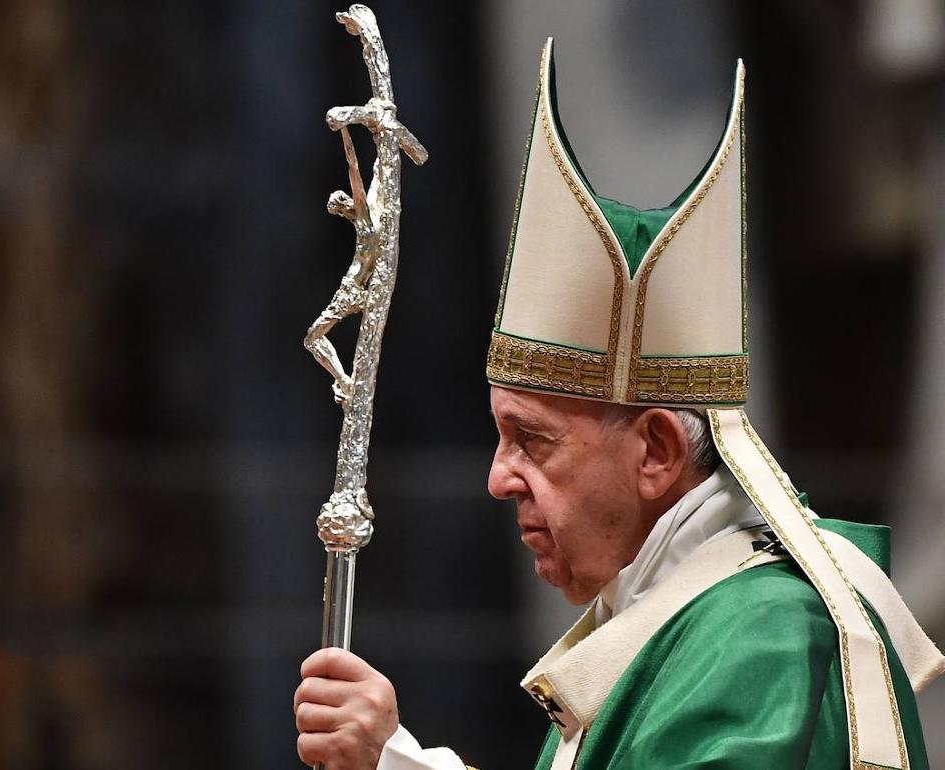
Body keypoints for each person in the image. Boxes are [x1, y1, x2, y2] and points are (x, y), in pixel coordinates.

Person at [294, 39, 945, 770]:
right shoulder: (668, 616)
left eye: (532, 441)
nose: (498, 479)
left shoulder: (758, 637)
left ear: (657, 451)